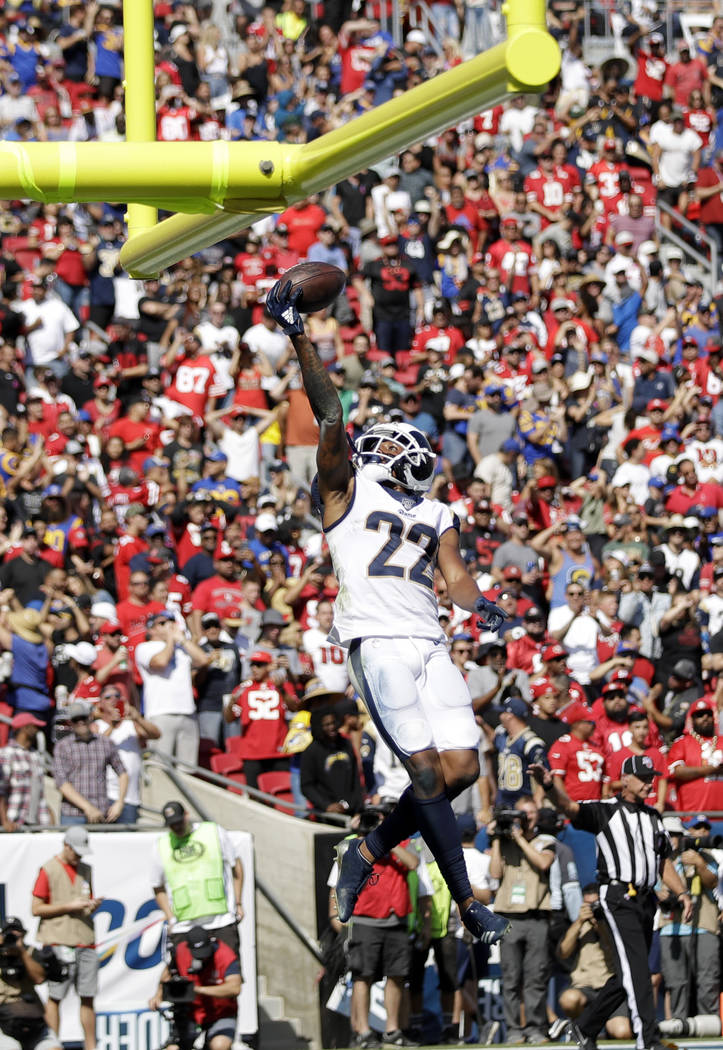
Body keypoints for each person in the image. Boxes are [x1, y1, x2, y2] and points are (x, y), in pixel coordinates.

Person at [265, 278, 509, 945]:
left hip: (428, 641)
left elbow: (454, 577)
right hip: (374, 640)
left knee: (463, 770)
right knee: (425, 771)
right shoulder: (345, 489)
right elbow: (332, 416)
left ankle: (366, 852)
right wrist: (297, 333)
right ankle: (468, 905)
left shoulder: (435, 511)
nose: (414, 451)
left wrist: (482, 608)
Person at [530, 755, 693, 1050]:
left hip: (646, 900)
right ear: (625, 779)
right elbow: (568, 807)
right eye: (643, 777)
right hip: (618, 897)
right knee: (639, 972)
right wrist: (549, 785)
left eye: (651, 777)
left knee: (629, 972)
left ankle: (584, 1028)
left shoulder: (653, 818)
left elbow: (663, 861)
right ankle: (649, 1041)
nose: (649, 783)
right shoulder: (606, 811)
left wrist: (682, 892)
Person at [327, 805, 420, 1049]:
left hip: (396, 917)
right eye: (372, 820)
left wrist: (387, 839)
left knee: (397, 975)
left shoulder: (399, 841)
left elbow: (413, 863)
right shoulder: (352, 846)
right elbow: (338, 883)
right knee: (363, 975)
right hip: (366, 919)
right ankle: (363, 1031)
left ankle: (392, 1030)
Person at [488, 796, 557, 1045]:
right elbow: (494, 873)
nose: (526, 818)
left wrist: (518, 838)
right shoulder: (503, 842)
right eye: (522, 813)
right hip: (508, 917)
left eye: (530, 813)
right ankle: (514, 1029)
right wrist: (497, 837)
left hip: (537, 917)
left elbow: (542, 862)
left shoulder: (546, 841)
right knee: (511, 978)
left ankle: (536, 1028)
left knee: (535, 978)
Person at [31, 826, 103, 1050]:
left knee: (88, 996)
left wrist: (90, 905)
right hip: (58, 940)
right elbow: (36, 908)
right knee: (56, 996)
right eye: (76, 852)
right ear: (66, 846)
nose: (79, 857)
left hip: (85, 939)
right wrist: (68, 906)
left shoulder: (86, 870)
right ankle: (52, 1044)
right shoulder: (48, 869)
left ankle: (91, 1046)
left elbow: (84, 900)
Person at [151, 801, 245, 953]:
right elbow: (157, 885)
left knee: (230, 972)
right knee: (186, 974)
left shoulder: (213, 831)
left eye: (178, 822)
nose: (177, 827)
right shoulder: (161, 845)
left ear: (186, 815)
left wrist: (238, 903)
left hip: (221, 920)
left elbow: (236, 865)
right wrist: (170, 917)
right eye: (172, 825)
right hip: (184, 924)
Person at [556, 883, 631, 1039]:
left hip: (610, 988)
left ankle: (601, 1034)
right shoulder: (578, 925)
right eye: (587, 904)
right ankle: (578, 1028)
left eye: (595, 904)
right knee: (569, 999)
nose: (591, 908)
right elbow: (563, 952)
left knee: (622, 1032)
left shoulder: (615, 924)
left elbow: (616, 948)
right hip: (584, 987)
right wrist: (579, 921)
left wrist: (600, 923)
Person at [135, 610, 209, 766]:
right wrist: (170, 639)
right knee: (161, 766)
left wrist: (182, 640)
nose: (169, 626)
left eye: (171, 622)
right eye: (162, 623)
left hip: (187, 712)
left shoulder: (181, 647)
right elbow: (160, 662)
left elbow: (203, 660)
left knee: (187, 768)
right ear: (151, 629)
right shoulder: (144, 648)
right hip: (161, 712)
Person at [149, 925, 241, 1050]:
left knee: (220, 1045)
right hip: (191, 1012)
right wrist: (158, 995)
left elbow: (235, 988)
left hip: (221, 1013)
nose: (202, 958)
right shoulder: (180, 951)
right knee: (172, 1049)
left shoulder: (225, 955)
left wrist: (198, 989)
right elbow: (167, 973)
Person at [52, 701, 129, 825]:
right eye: (76, 719)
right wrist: (87, 807)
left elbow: (123, 773)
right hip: (73, 815)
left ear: (90, 718)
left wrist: (120, 802)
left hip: (102, 813)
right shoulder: (63, 746)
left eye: (83, 717)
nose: (80, 722)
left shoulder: (105, 743)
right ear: (70, 722)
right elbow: (61, 783)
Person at [0, 915, 62, 1050]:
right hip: (3, 1021)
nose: (13, 936)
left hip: (32, 1018)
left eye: (17, 932)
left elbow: (39, 978)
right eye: (8, 932)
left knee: (54, 1048)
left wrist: (21, 953)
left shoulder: (30, 952)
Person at [0, 712, 53, 829]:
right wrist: (4, 821)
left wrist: (49, 815)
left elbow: (38, 791)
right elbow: (1, 791)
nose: (37, 731)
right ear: (25, 728)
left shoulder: (35, 755)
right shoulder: (6, 753)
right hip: (14, 822)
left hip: (37, 822)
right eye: (35, 727)